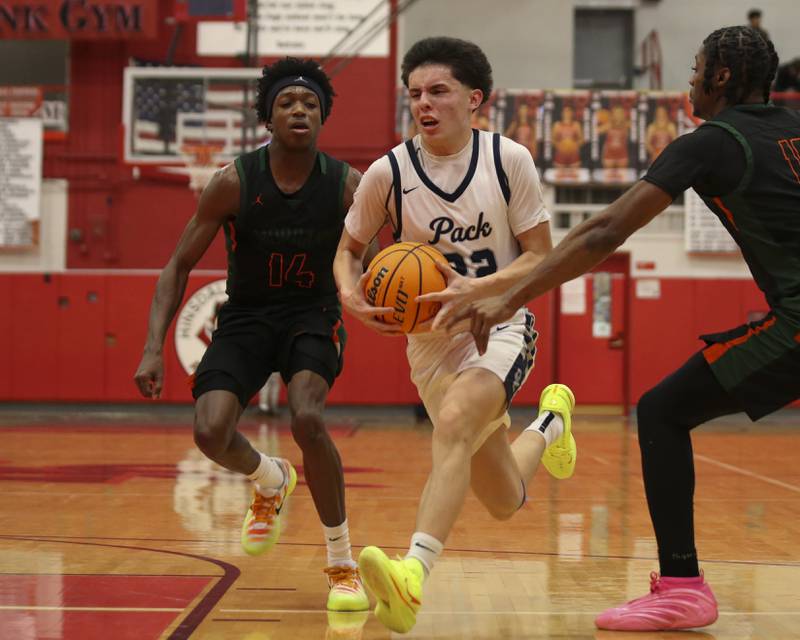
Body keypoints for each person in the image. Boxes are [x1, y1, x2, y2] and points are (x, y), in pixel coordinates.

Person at [443, 25, 799, 632]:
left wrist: (509, 297)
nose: (689, 79)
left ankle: (682, 588)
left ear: (720, 77)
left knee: (662, 411)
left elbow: (605, 231)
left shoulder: (712, 143)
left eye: (696, 68)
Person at [333, 36, 577, 634]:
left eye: (438, 91)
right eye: (414, 93)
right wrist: (349, 294)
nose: (424, 103)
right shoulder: (388, 172)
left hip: (498, 322)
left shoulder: (508, 160)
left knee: (453, 421)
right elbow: (348, 250)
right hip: (430, 341)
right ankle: (551, 423)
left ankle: (412, 575)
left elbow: (540, 255)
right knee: (504, 499)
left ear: (474, 99)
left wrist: (479, 289)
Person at [134, 57, 372, 616]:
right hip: (246, 316)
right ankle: (270, 477)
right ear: (268, 117)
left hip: (313, 313)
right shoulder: (233, 182)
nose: (299, 110)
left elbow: (374, 260)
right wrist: (151, 348)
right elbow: (177, 265)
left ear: (322, 117)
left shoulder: (347, 185)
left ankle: (341, 562)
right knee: (209, 430)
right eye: (287, 102)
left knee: (308, 418)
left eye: (310, 104)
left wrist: (369, 294)